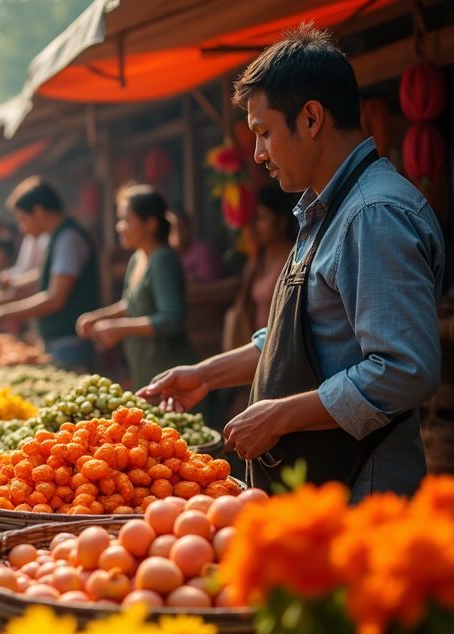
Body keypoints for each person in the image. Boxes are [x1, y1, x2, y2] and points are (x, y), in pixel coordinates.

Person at [138, 26, 444, 499]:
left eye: (263, 133)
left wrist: (278, 414)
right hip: (318, 481)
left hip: (360, 488)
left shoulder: (373, 214)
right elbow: (302, 337)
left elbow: (403, 369)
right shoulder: (322, 210)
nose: (258, 154)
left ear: (311, 118)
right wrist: (205, 374)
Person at [76, 185, 196, 389]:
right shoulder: (137, 258)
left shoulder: (162, 260)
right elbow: (131, 303)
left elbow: (171, 319)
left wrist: (121, 328)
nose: (119, 227)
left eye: (126, 220)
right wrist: (99, 316)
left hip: (169, 371)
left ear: (150, 224)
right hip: (145, 367)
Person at [0, 177, 99, 370]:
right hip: (59, 341)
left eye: (22, 219)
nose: (22, 227)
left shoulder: (68, 238)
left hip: (70, 342)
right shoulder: (56, 238)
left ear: (39, 212)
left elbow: (55, 298)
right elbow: (43, 279)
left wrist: (2, 313)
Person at [222, 185, 298, 352]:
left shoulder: (294, 259)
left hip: (281, 350)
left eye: (262, 217)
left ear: (282, 221)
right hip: (258, 351)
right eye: (253, 218)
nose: (254, 225)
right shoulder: (257, 260)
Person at [169, 210, 224, 283]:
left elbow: (210, 287)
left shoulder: (202, 252)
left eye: (181, 228)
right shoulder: (169, 255)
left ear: (190, 228)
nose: (177, 233)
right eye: (171, 230)